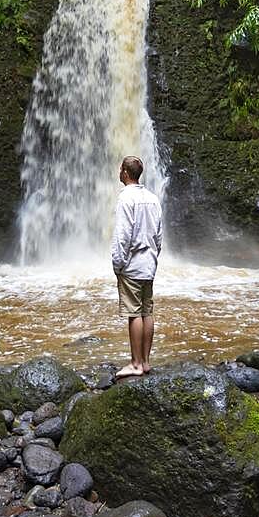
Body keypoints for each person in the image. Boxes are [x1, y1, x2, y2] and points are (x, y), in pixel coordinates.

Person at [110, 155, 162, 377]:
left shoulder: (125, 199)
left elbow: (123, 236)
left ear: (124, 172)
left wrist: (117, 265)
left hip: (131, 264)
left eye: (120, 169)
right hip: (148, 263)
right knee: (147, 311)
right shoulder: (153, 198)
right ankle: (146, 362)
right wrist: (153, 256)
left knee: (134, 313)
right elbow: (159, 235)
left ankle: (136, 363)